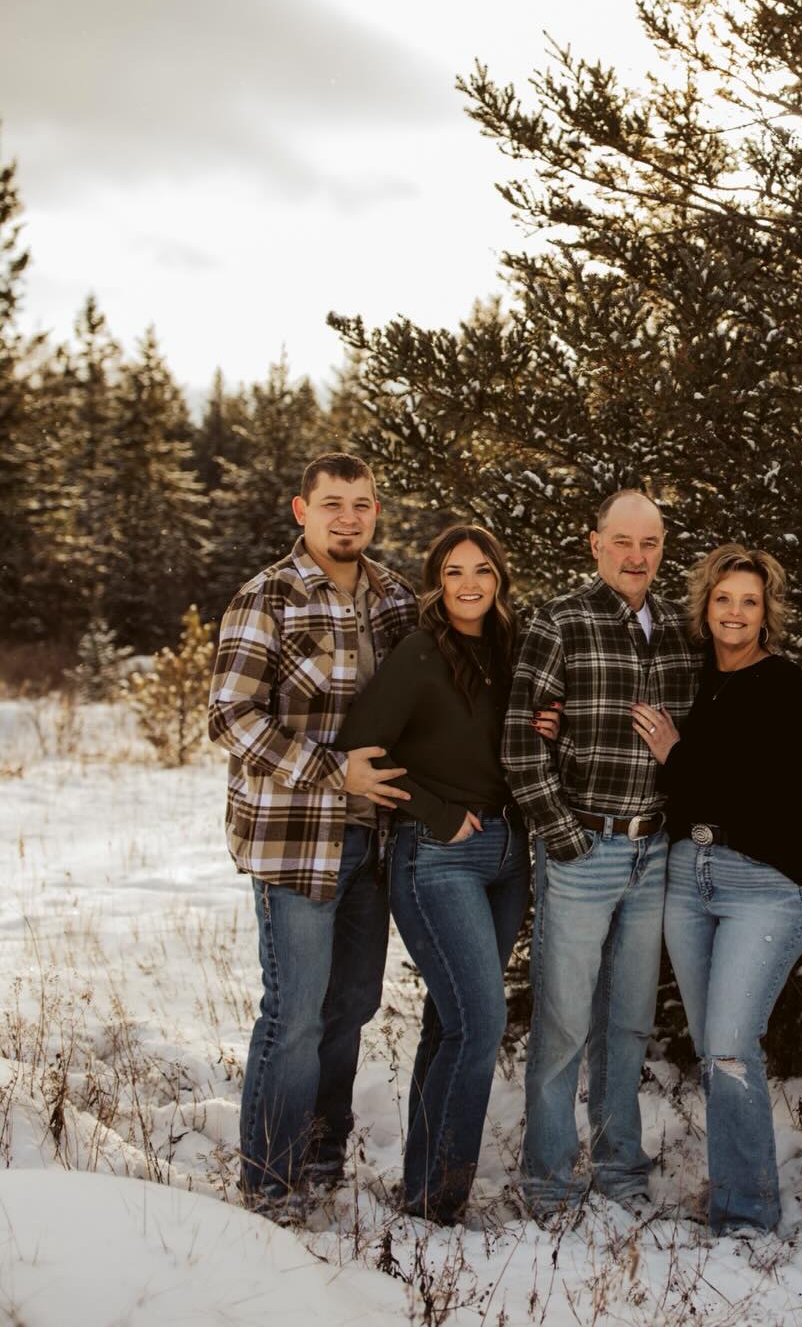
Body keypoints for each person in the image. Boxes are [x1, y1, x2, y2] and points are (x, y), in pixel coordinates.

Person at [208, 452, 417, 1216]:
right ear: (302, 510)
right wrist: (335, 773)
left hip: (375, 841)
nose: (348, 518)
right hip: (295, 840)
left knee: (353, 1004)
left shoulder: (395, 598)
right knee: (294, 1014)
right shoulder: (268, 596)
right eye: (332, 504)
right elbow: (230, 718)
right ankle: (269, 1180)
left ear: (375, 511)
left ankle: (323, 1157)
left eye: (361, 504)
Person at [501, 489, 699, 1219]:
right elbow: (523, 744)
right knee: (561, 1022)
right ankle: (550, 1180)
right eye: (622, 542)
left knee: (629, 1022)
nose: (636, 556)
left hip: (654, 855)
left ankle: (621, 1167)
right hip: (584, 850)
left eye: (649, 543)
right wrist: (566, 838)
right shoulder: (561, 621)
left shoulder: (682, 628)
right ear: (596, 544)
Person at [631, 543, 802, 1238]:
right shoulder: (696, 678)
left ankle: (748, 1212)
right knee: (714, 1044)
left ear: (766, 611)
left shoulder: (781, 684)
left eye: (749, 600)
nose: (735, 612)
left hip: (766, 885)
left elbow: (766, 793)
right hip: (690, 879)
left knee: (731, 1043)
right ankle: (733, 1188)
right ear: (705, 607)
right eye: (723, 599)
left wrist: (676, 756)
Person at [335, 524, 528, 1224]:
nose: (469, 584)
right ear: (436, 582)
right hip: (437, 856)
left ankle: (420, 1191)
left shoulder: (512, 651)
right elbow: (360, 745)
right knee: (479, 1025)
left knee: (450, 1022)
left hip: (508, 858)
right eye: (454, 572)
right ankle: (442, 1202)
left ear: (499, 578)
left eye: (482, 570)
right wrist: (435, 811)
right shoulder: (420, 653)